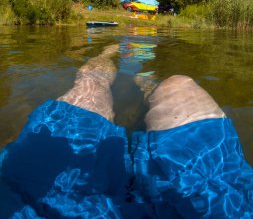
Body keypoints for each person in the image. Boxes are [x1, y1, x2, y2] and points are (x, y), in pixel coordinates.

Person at [0, 45, 252, 218]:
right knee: (179, 83)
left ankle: (110, 56)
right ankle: (145, 84)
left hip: (42, 200)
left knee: (91, 84)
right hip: (219, 198)